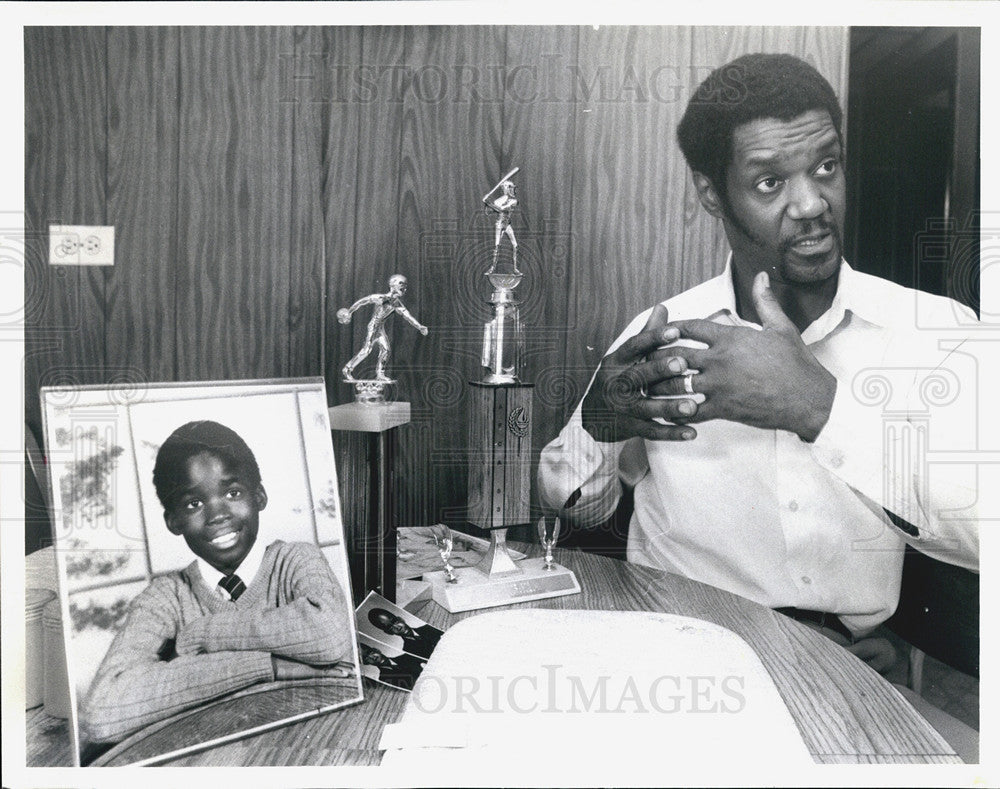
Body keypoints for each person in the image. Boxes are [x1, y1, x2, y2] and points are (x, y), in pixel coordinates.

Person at [538, 53, 979, 657]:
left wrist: (817, 408)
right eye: (770, 182)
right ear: (712, 194)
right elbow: (573, 512)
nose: (811, 204)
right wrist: (598, 429)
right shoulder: (662, 335)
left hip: (846, 670)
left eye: (826, 167)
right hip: (675, 655)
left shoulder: (939, 333)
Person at [81, 420, 355, 744]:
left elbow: (331, 636)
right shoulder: (165, 598)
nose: (217, 515)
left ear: (259, 496)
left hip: (313, 741)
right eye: (193, 504)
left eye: (232, 492)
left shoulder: (297, 560)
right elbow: (103, 712)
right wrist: (268, 666)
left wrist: (204, 634)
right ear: (173, 521)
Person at [337, 274, 429, 382]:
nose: (404, 288)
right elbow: (363, 301)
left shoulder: (397, 304)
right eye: (401, 285)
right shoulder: (381, 298)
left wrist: (420, 327)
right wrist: (350, 311)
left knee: (386, 350)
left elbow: (408, 317)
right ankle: (347, 369)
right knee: (366, 351)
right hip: (373, 327)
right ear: (393, 285)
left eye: (405, 286)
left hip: (379, 329)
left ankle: (380, 374)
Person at [367, 608, 441, 660]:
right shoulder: (409, 652)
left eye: (395, 621)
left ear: (401, 619)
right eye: (390, 627)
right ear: (389, 633)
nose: (398, 627)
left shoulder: (431, 627)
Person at [360, 643, 427, 691]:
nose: (373, 658)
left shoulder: (408, 656)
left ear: (376, 650)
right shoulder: (384, 680)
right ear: (366, 663)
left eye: (370, 653)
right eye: (366, 658)